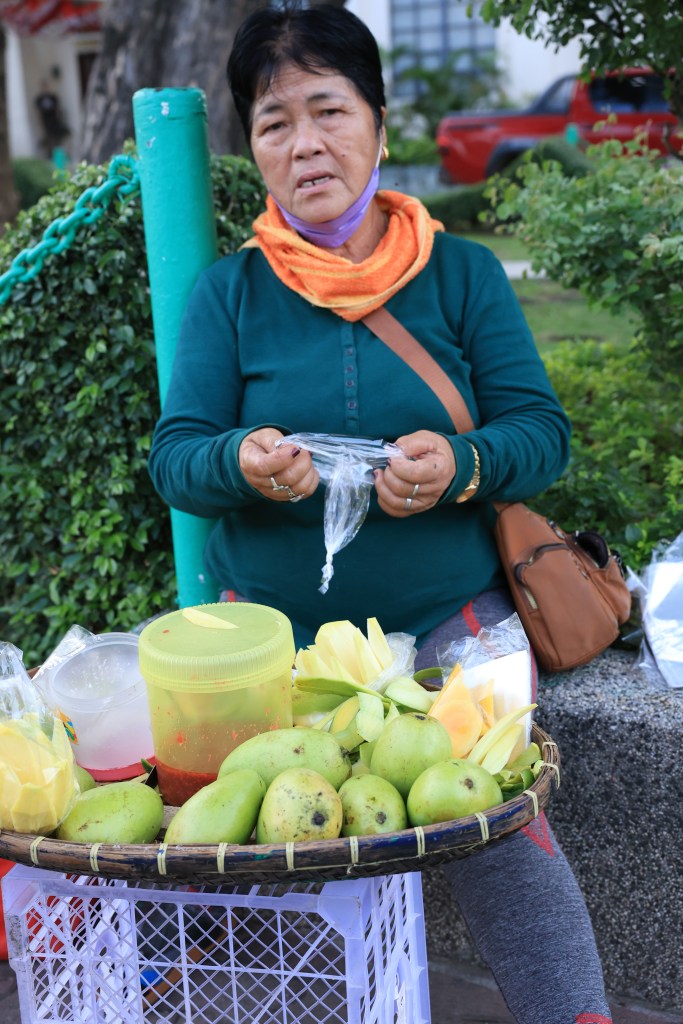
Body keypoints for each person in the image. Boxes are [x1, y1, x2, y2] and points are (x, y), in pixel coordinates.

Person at [148, 5, 613, 1022]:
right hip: (276, 637)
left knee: (500, 832)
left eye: (328, 109)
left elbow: (538, 432)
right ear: (252, 147)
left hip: (453, 610)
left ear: (378, 124)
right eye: (274, 122)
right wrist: (243, 460)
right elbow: (176, 460)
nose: (304, 142)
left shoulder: (461, 273)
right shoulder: (230, 294)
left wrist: (458, 463)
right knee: (261, 852)